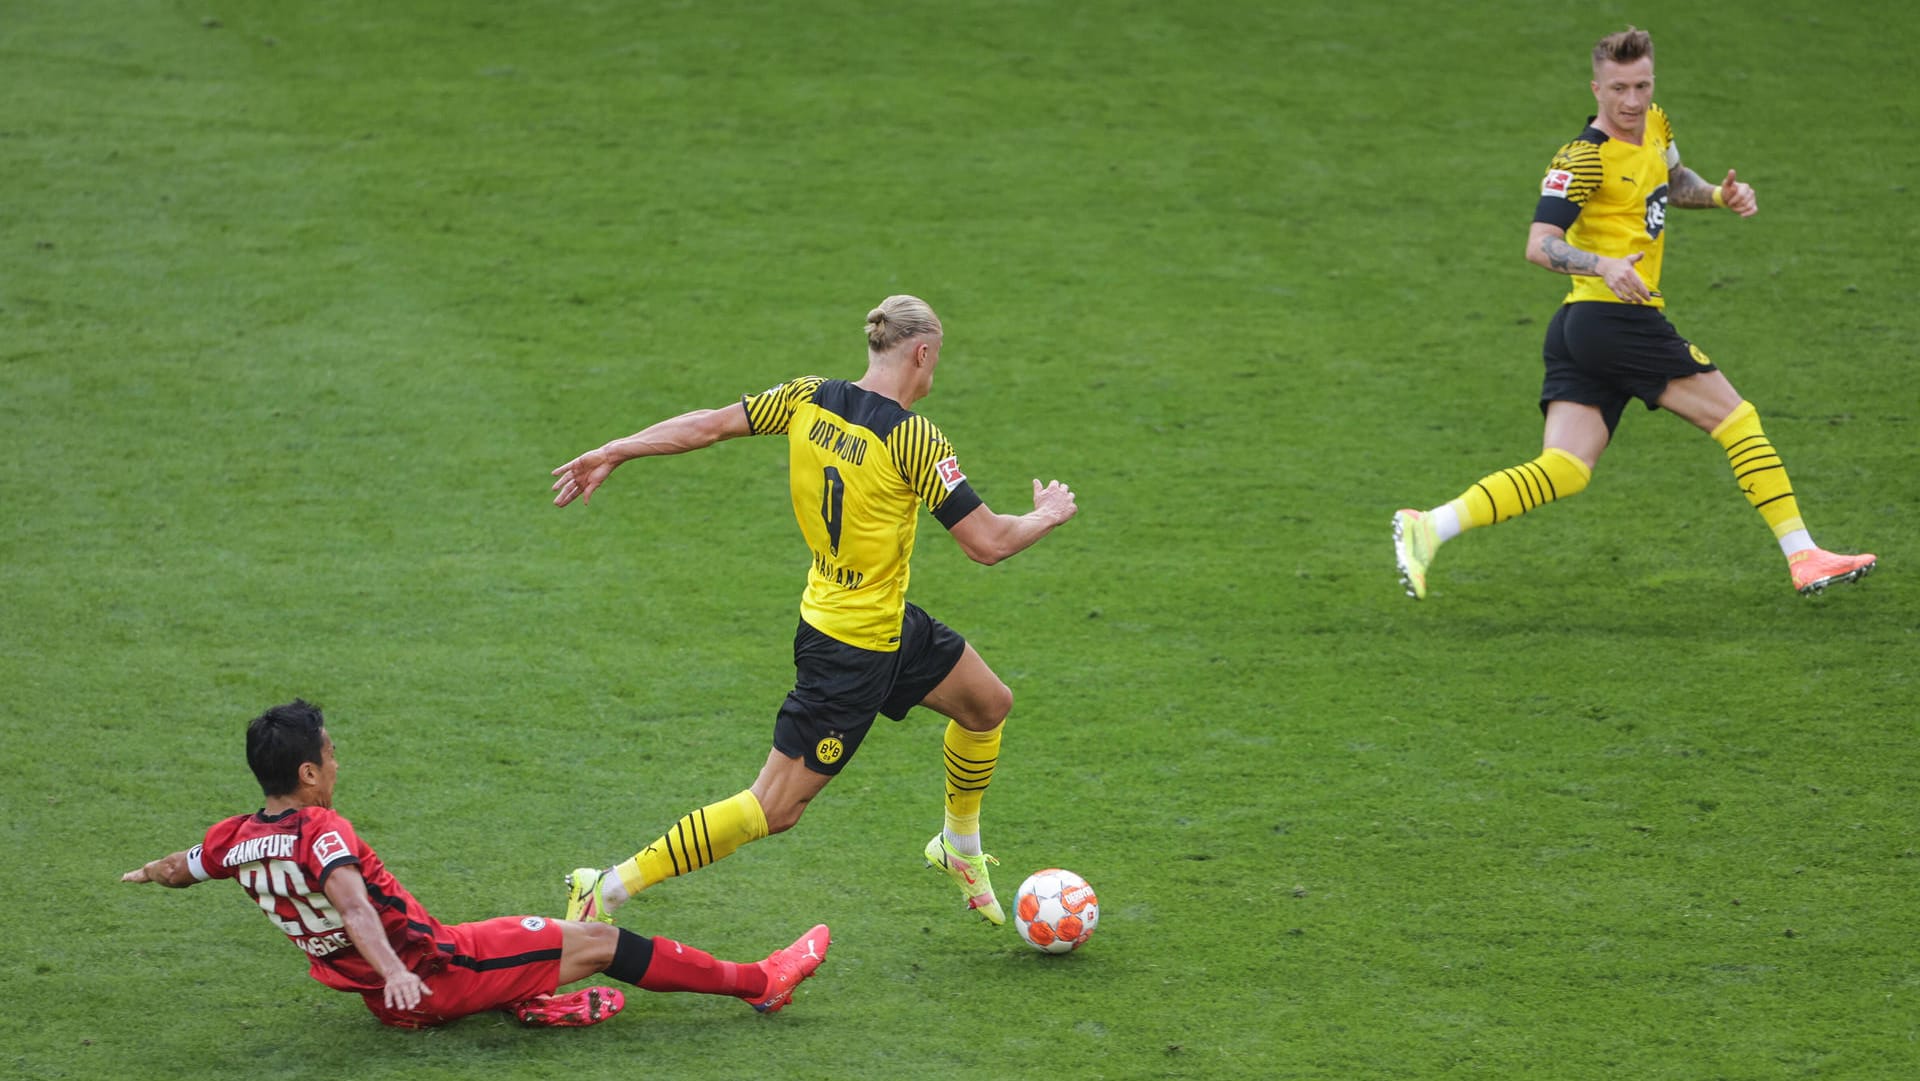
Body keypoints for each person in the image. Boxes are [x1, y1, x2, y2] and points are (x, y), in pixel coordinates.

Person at [549, 294, 1078, 928]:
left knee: (987, 704)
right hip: (847, 653)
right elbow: (987, 543)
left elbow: (709, 423)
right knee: (772, 808)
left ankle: (957, 848)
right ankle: (606, 887)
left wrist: (619, 447)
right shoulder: (912, 438)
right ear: (923, 352)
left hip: (881, 621)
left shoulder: (807, 397)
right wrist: (1045, 516)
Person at [1393, 27, 1875, 600]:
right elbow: (1538, 242)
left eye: (1642, 85)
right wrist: (1602, 263)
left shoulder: (1656, 123)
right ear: (1596, 88)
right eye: (1619, 88)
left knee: (1567, 468)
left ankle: (1430, 527)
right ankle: (1803, 556)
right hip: (1613, 319)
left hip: (1583, 329)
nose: (1632, 101)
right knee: (1736, 420)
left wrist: (1721, 196)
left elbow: (1673, 182)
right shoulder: (1584, 158)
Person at [123, 700, 829, 1029]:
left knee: (520, 945)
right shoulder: (320, 830)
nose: (339, 761)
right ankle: (760, 983)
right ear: (307, 771)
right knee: (601, 941)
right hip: (434, 972)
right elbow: (355, 904)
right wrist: (401, 972)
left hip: (380, 989)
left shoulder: (234, 838)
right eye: (331, 753)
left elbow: (183, 866)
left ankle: (524, 996)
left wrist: (146, 872)